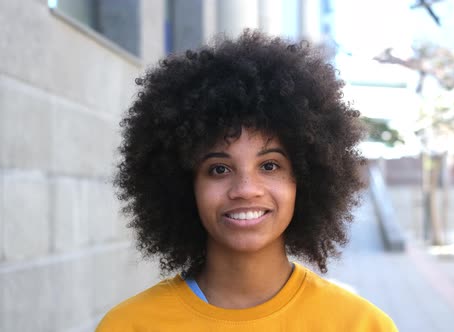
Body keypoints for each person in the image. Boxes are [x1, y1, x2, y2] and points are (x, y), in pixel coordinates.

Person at [96, 30, 398, 331]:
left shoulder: (362, 326)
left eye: (269, 165)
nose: (245, 190)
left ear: (305, 181)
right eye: (219, 169)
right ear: (185, 187)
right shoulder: (128, 326)